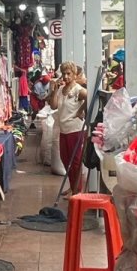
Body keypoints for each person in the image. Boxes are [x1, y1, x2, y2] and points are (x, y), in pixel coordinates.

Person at [49, 61, 89, 195]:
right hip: (64, 130)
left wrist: (80, 110)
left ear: (75, 75)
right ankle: (73, 186)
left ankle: (77, 190)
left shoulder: (78, 90)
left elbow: (90, 97)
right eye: (63, 74)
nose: (65, 76)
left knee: (75, 162)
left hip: (75, 131)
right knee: (65, 159)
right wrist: (54, 90)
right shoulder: (61, 90)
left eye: (68, 74)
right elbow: (54, 106)